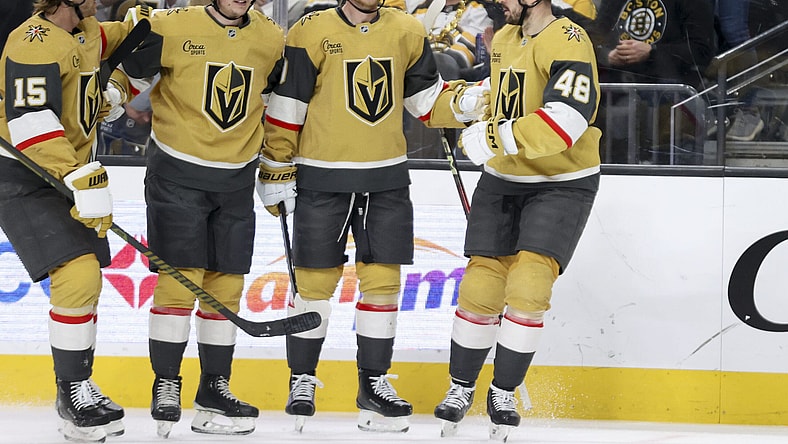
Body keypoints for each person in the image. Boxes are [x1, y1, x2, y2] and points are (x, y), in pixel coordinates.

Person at [259, 0, 489, 433]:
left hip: (386, 177)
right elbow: (288, 105)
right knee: (313, 284)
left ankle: (374, 383)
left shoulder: (405, 30)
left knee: (383, 283)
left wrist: (466, 101)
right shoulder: (310, 30)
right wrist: (276, 162)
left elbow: (425, 100)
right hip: (321, 176)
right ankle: (302, 379)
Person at [431, 0, 601, 441]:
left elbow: (566, 119)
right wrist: (471, 101)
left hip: (562, 180)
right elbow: (508, 91)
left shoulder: (569, 40)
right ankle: (460, 387)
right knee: (480, 284)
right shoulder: (506, 37)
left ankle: (503, 391)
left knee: (529, 284)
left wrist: (491, 135)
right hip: (505, 177)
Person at [120, 0, 284, 437]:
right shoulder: (168, 25)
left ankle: (214, 388)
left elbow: (273, 104)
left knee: (226, 286)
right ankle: (167, 384)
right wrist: (109, 101)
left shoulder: (271, 37)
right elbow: (122, 79)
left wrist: (275, 163)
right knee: (179, 281)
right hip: (176, 172)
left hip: (235, 177)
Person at [0, 0, 143, 442]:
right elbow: (31, 122)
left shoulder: (86, 31)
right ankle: (73, 392)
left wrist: (116, 91)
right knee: (78, 275)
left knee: (84, 282)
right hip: (25, 171)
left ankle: (77, 386)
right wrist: (81, 178)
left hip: (67, 173)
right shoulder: (31, 43)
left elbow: (139, 39)